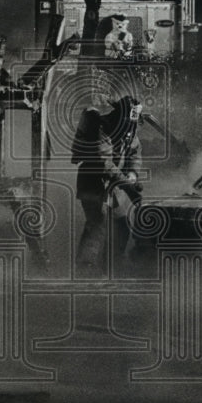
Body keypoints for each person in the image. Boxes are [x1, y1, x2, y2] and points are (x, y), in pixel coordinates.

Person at [71, 95, 144, 273]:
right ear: (119, 115)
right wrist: (128, 186)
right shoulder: (101, 127)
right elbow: (104, 163)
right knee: (98, 223)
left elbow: (135, 152)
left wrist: (133, 173)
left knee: (121, 225)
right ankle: (85, 268)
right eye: (128, 120)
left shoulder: (130, 129)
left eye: (133, 121)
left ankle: (111, 265)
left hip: (113, 187)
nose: (131, 125)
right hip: (93, 183)